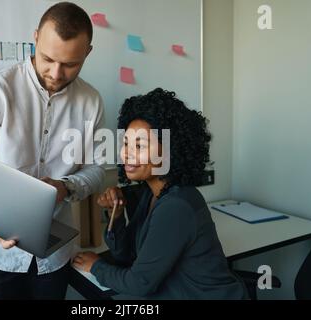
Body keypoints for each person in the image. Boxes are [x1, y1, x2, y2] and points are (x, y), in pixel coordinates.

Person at [0, 2, 105, 299]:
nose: (57, 72)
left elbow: (98, 170)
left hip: (54, 256)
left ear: (87, 52)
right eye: (48, 58)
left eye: (71, 64)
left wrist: (66, 186)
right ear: (35, 38)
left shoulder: (92, 101)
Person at [73, 88, 247, 299]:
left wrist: (95, 266)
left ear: (170, 150)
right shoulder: (149, 192)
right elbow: (126, 256)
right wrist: (116, 217)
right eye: (126, 143)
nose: (125, 153)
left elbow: (139, 284)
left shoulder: (176, 205)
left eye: (140, 146)